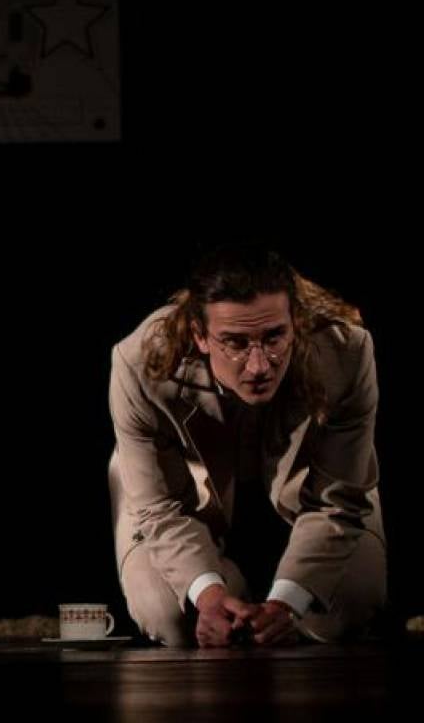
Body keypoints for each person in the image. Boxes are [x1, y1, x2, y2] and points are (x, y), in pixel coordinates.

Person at [109, 244, 384, 646]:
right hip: (182, 487)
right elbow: (159, 505)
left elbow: (338, 497)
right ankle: (232, 590)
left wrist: (286, 602)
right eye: (235, 343)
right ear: (199, 336)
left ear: (296, 323)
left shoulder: (346, 352)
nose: (258, 366)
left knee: (349, 606)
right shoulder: (138, 363)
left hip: (312, 480)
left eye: (274, 337)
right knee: (171, 618)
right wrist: (210, 595)